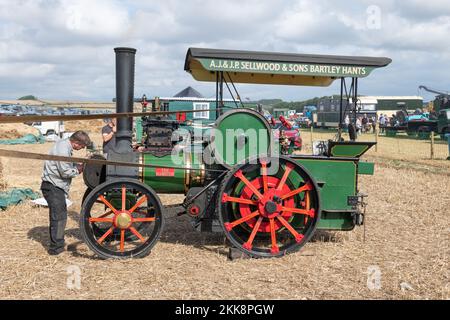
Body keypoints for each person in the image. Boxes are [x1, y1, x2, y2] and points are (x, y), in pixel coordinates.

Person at [40, 131, 91, 255]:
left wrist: (76, 164)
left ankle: (57, 244)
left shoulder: (64, 145)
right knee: (59, 217)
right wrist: (79, 169)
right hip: (53, 186)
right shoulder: (63, 149)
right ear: (76, 142)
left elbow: (66, 164)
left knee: (59, 215)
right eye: (82, 146)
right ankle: (56, 249)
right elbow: (65, 172)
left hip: (54, 185)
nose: (81, 149)